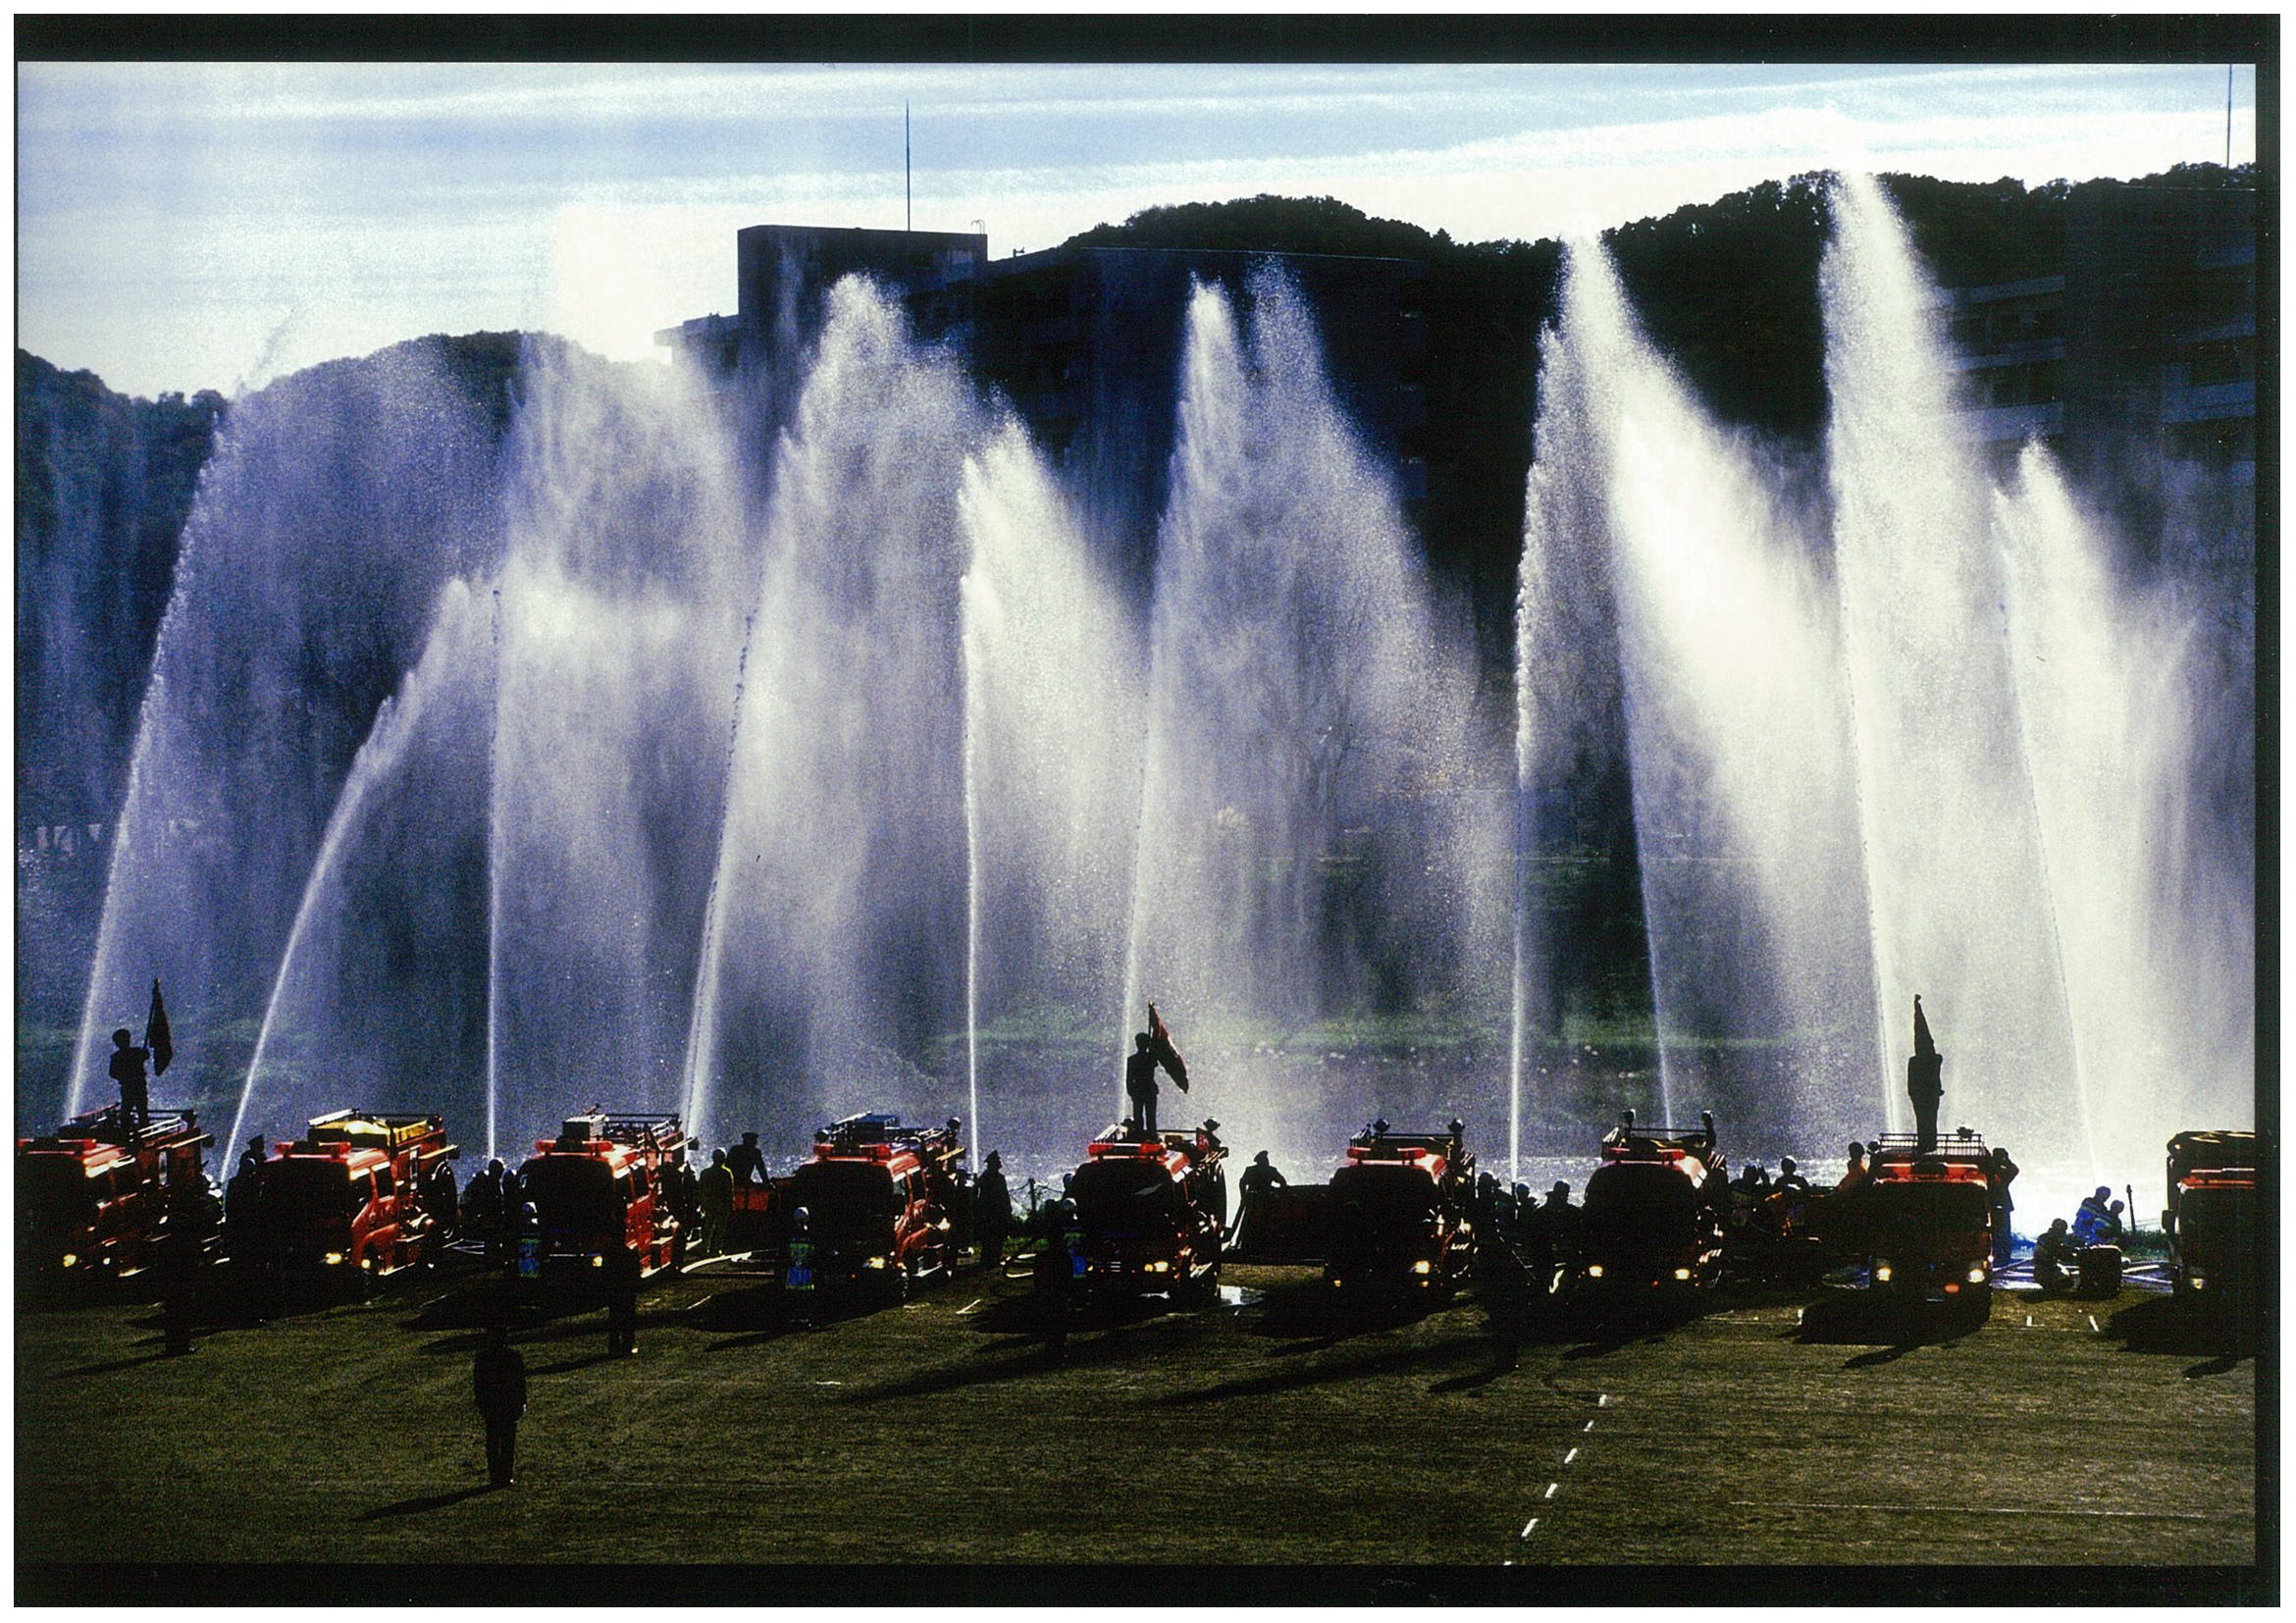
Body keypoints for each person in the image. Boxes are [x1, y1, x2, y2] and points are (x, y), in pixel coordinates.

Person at [472, 1323, 527, 1489]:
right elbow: (520, 1383)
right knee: (506, 1441)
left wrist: (481, 1402)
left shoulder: (483, 1359)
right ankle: (505, 1474)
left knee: (494, 1441)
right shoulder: (513, 1357)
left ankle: (495, 1475)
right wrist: (521, 1402)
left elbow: (479, 1384)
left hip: (492, 1404)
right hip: (506, 1403)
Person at [1124, 1028, 1184, 1137]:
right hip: (1144, 1090)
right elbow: (1129, 1078)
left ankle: (1146, 1134)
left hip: (1144, 1089)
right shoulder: (1147, 1058)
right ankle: (1145, 1134)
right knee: (1144, 1115)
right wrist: (1131, 1091)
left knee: (1146, 1114)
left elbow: (1129, 1079)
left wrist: (1131, 1091)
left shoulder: (1140, 1059)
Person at [1907, 995, 1944, 1153]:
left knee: (1925, 1120)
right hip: (1926, 1095)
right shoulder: (1933, 1060)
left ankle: (1927, 1143)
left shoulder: (1926, 1060)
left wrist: (1918, 1009)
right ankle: (1927, 1143)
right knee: (1927, 1119)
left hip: (1924, 1095)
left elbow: (1911, 1081)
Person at [108, 1027, 150, 1131]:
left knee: (132, 1111)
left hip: (131, 1086)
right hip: (135, 1086)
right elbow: (146, 1055)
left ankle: (128, 1131)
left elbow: (112, 1073)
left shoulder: (117, 1056)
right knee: (137, 1111)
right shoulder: (136, 1052)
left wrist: (123, 1076)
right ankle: (140, 1130)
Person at [973, 1152, 1012, 1270]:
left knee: (992, 1236)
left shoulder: (985, 1177)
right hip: (993, 1211)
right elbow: (1003, 1195)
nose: (1000, 1163)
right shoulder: (996, 1178)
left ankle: (990, 1259)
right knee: (993, 1236)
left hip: (990, 1211)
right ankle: (991, 1259)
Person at [605, 1242, 642, 1356]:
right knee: (628, 1318)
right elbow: (636, 1274)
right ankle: (627, 1345)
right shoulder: (630, 1254)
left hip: (615, 1290)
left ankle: (614, 1345)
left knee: (614, 1318)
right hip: (627, 1290)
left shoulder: (609, 1253)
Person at [697, 1148, 734, 1258]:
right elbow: (729, 1190)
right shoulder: (726, 1173)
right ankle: (715, 1249)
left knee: (707, 1226)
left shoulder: (705, 1173)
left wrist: (702, 1203)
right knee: (720, 1228)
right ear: (724, 1159)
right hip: (721, 1205)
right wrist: (730, 1204)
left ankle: (704, 1248)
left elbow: (700, 1189)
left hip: (708, 1204)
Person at [1986, 1147, 2019, 1266]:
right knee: (2003, 1233)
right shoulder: (2003, 1172)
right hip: (2000, 1205)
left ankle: (2000, 1256)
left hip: (1993, 1204)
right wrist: (2006, 1161)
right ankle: (2002, 1256)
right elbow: (2014, 1169)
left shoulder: (1992, 1170)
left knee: (1998, 1233)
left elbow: (2014, 1169)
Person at [2032, 1218, 2078, 1293]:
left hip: (2040, 1270)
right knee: (2068, 1281)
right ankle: (2052, 1286)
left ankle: (2051, 1285)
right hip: (2046, 1271)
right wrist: (2075, 1254)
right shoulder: (2051, 1240)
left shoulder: (2044, 1237)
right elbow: (2063, 1256)